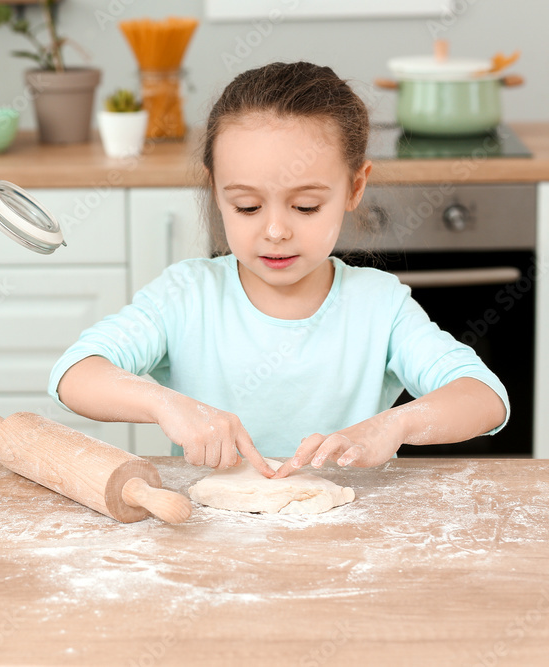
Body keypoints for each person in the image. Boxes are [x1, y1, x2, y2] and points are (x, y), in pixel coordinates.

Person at [48, 62, 509, 479]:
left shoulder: (379, 304)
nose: (275, 230)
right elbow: (75, 373)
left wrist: (393, 425)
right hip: (215, 538)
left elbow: (484, 396)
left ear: (355, 187)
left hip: (348, 538)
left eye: (305, 206)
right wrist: (165, 404)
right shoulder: (186, 295)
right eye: (246, 206)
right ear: (216, 191)